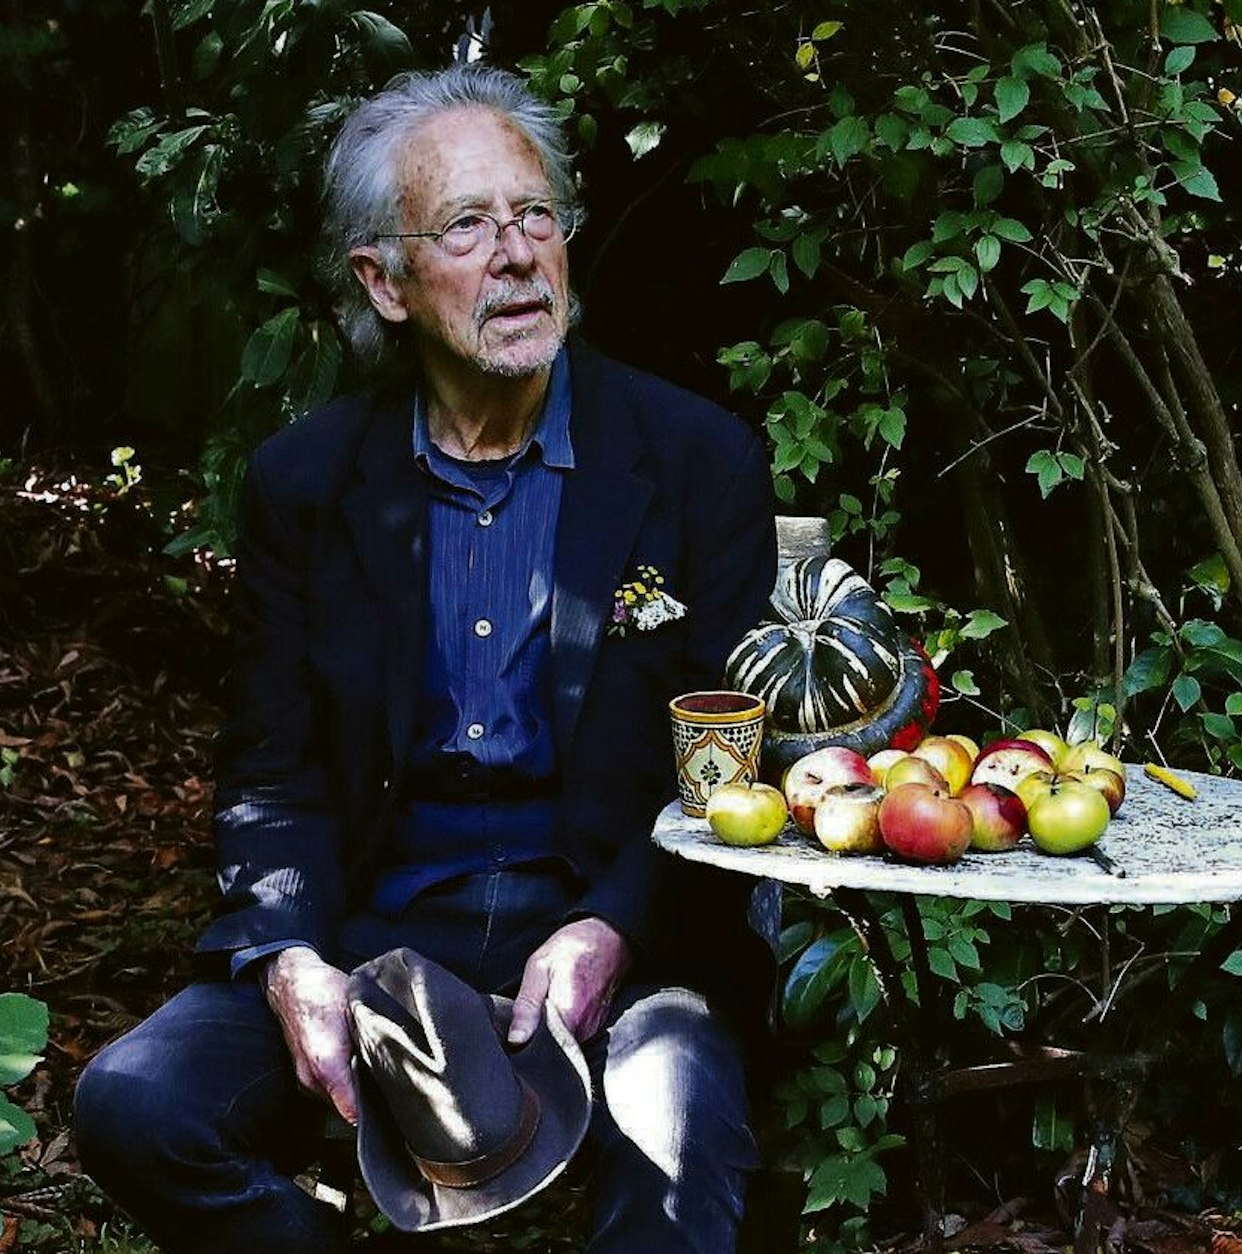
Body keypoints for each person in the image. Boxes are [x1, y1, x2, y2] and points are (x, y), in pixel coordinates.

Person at [73, 62, 777, 1254]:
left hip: (619, 928)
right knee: (134, 1107)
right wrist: (289, 954)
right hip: (378, 936)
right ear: (383, 283)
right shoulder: (306, 483)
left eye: (535, 214)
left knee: (672, 1127)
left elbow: (728, 775)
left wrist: (612, 925)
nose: (516, 255)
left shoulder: (694, 459)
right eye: (465, 225)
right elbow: (272, 767)